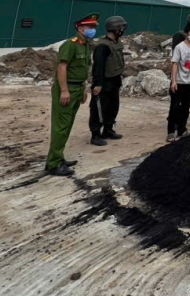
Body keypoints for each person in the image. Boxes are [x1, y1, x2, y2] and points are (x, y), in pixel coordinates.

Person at [45, 13, 99, 176]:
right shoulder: (70, 44)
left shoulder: (86, 45)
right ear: (81, 28)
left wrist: (83, 89)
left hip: (77, 88)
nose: (93, 30)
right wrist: (64, 90)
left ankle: (58, 157)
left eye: (94, 28)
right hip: (67, 88)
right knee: (61, 127)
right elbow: (62, 68)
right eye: (90, 27)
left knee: (67, 126)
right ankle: (54, 164)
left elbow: (82, 70)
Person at [88, 15, 128, 146]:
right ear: (115, 29)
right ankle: (95, 135)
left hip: (114, 80)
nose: (123, 29)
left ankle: (108, 129)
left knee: (113, 107)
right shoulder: (102, 46)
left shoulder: (116, 43)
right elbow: (98, 67)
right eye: (121, 27)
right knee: (99, 109)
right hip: (103, 83)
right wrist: (98, 84)